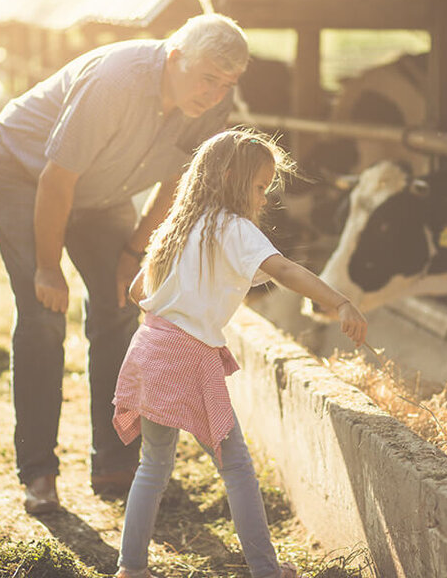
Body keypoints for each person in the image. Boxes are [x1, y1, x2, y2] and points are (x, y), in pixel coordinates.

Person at [0, 13, 249, 514]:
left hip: (103, 190)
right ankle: (38, 471)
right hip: (24, 171)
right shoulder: (115, 82)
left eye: (225, 84)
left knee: (120, 304)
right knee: (42, 315)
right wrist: (47, 267)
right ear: (174, 57)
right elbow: (56, 181)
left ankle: (114, 461)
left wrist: (133, 252)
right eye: (207, 78)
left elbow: (179, 183)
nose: (213, 94)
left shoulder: (212, 104)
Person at [112, 129, 367, 578]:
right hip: (188, 356)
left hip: (149, 347)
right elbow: (285, 269)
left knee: (153, 465)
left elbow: (137, 291)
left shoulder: (177, 225)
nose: (263, 198)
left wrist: (183, 296)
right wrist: (340, 302)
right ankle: (266, 570)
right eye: (258, 186)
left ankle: (131, 568)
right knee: (237, 468)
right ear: (230, 178)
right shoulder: (233, 229)